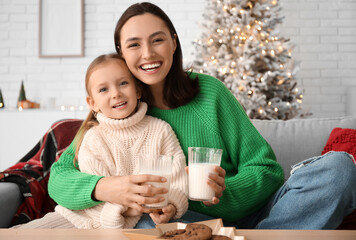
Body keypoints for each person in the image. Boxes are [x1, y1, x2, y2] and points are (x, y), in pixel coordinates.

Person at [46, 2, 355, 229]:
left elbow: (267, 169)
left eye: (157, 40)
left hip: (259, 215)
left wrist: (226, 190)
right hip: (184, 225)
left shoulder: (209, 94)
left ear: (173, 43)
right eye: (134, 45)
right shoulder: (117, 114)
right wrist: (105, 187)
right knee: (140, 223)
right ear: (121, 52)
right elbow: (58, 178)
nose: (148, 54)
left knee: (339, 167)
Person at [12, 53, 188, 228]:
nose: (116, 94)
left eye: (123, 83)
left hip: (148, 219)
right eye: (104, 89)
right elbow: (94, 200)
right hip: (84, 218)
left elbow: (178, 178)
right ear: (92, 103)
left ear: (138, 90)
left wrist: (171, 205)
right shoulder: (93, 138)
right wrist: (124, 210)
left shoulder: (161, 130)